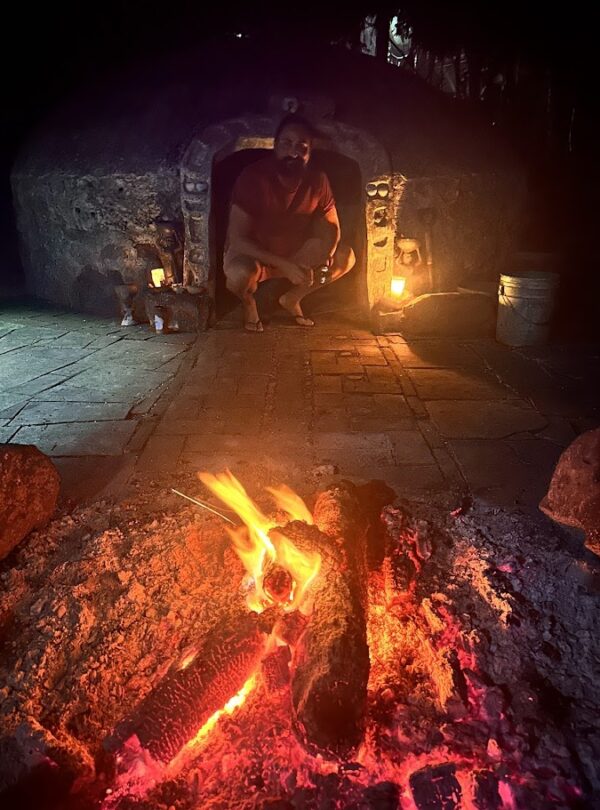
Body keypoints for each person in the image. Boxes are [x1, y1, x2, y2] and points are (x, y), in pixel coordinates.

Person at [224, 114, 355, 331]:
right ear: (275, 146)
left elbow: (332, 227)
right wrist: (285, 265)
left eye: (301, 146)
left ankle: (292, 299)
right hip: (256, 258)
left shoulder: (318, 179)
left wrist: (327, 256)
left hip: (296, 256)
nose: (293, 152)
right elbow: (237, 240)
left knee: (346, 257)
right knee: (239, 275)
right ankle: (249, 304)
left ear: (310, 152)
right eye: (286, 144)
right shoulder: (253, 177)